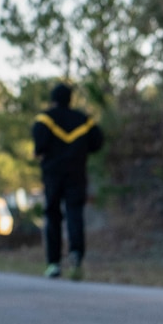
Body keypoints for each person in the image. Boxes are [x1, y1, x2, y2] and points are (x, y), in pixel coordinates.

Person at [31, 81, 103, 280]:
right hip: (76, 173)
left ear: (53, 99)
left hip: (53, 174)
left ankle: (53, 263)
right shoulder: (84, 120)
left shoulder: (45, 119)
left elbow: (39, 145)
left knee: (53, 215)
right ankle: (76, 254)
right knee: (74, 213)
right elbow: (97, 142)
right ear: (70, 99)